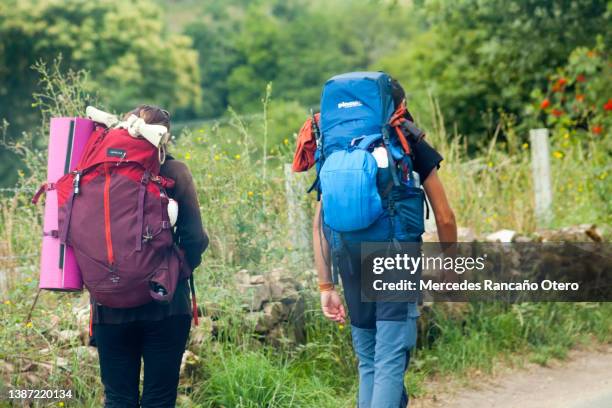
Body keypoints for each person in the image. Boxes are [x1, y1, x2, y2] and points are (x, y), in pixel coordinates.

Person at [312, 79, 457, 407]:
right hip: (395, 254)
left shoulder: (334, 145)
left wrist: (326, 286)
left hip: (347, 254)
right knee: (391, 357)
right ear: (395, 106)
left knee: (369, 361)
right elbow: (445, 217)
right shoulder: (405, 139)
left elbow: (319, 223)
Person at [91, 105, 208, 407]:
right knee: (159, 397)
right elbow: (195, 238)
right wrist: (175, 271)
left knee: (118, 398)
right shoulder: (174, 171)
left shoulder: (98, 171)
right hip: (165, 306)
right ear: (164, 138)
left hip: (109, 306)